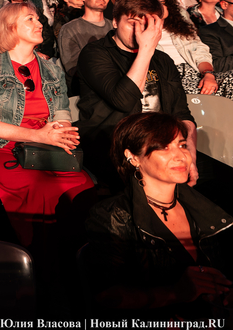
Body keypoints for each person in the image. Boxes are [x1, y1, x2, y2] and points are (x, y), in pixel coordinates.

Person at [0, 2, 94, 250]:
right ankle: (41, 254)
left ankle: (75, 255)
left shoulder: (51, 68)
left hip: (44, 145)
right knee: (41, 187)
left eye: (38, 19)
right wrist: (40, 135)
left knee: (83, 186)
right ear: (10, 27)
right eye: (30, 19)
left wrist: (61, 133)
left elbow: (61, 114)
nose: (39, 24)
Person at [85, 113, 233, 319]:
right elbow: (105, 295)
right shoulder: (113, 215)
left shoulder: (205, 206)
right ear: (133, 157)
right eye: (164, 147)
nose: (181, 156)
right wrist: (175, 293)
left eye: (182, 145)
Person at [75, 0, 197, 191]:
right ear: (115, 22)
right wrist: (146, 50)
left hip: (162, 150)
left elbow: (182, 114)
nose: (139, 31)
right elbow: (123, 100)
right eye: (132, 23)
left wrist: (188, 154)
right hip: (113, 149)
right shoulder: (94, 53)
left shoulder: (163, 60)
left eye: (147, 25)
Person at [149, 0, 222, 97]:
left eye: (162, 3)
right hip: (168, 76)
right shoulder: (140, 33)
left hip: (194, 70)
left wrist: (208, 74)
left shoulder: (180, 27)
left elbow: (199, 51)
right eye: (154, 3)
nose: (160, 7)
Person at [57, 0, 113, 94]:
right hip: (87, 92)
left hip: (116, 86)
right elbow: (73, 69)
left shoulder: (114, 27)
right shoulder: (70, 29)